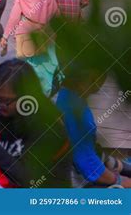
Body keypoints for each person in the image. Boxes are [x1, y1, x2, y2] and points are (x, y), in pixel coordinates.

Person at [0, 59, 72, 188]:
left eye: (7, 100)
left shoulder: (47, 125)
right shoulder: (1, 118)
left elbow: (31, 179)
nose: (2, 105)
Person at [55, 41, 131, 188]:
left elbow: (89, 149)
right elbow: (86, 163)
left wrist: (122, 167)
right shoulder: (77, 112)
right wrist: (120, 182)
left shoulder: (64, 95)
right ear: (93, 77)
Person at [1, 0, 60, 96]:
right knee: (41, 66)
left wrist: (5, 36)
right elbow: (56, 15)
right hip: (44, 35)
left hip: (25, 34)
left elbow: (14, 17)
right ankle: (42, 93)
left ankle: (26, 93)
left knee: (24, 67)